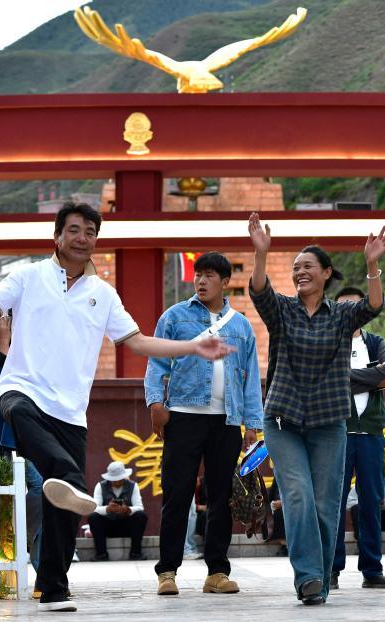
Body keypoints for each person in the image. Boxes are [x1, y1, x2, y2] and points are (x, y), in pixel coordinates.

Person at [0, 202, 230, 613]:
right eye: (74, 229)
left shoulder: (103, 294)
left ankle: (53, 589)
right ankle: (68, 480)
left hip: (70, 411)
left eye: (90, 232)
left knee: (64, 505)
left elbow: (138, 342)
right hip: (22, 388)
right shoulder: (28, 276)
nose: (83, 238)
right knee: (51, 456)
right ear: (57, 236)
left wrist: (192, 346)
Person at [247, 212, 385, 605]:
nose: (300, 272)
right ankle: (309, 577)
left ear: (326, 273)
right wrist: (261, 254)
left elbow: (373, 305)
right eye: (296, 267)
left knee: (326, 505)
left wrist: (372, 265)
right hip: (283, 419)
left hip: (329, 422)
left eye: (308, 266)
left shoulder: (342, 315)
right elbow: (259, 291)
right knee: (297, 495)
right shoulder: (282, 310)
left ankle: (321, 580)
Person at [145, 251, 263, 596]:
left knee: (222, 497)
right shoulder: (174, 317)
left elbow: (250, 377)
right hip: (183, 417)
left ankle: (217, 572)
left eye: (209, 275)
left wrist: (252, 424)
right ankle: (167, 571)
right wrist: (155, 402)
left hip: (226, 421)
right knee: (177, 494)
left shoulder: (241, 326)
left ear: (225, 282)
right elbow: (156, 362)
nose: (201, 281)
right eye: (198, 275)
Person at [330, 286, 385, 590]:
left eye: (354, 306)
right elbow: (327, 379)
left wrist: (346, 379)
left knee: (372, 501)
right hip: (338, 433)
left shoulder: (375, 342)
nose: (350, 312)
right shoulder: (328, 342)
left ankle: (372, 570)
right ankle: (331, 568)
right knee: (334, 503)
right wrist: (370, 380)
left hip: (370, 433)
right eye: (343, 306)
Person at [0, 314, 44, 578]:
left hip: (39, 436)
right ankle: (18, 541)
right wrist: (4, 342)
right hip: (10, 440)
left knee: (43, 492)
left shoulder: (36, 352)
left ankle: (39, 564)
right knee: (15, 496)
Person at [87, 461, 147, 561]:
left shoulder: (133, 486)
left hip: (127, 526)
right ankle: (101, 554)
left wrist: (128, 510)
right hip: (107, 526)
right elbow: (95, 508)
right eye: (114, 479)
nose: (117, 482)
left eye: (119, 479)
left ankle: (135, 553)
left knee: (141, 516)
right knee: (93, 517)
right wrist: (107, 509)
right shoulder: (100, 486)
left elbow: (140, 507)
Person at [262, 480, 288, 556]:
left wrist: (283, 502)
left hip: (290, 506)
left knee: (281, 514)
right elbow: (271, 494)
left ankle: (286, 546)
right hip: (276, 506)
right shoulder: (277, 477)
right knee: (267, 515)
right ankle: (283, 544)